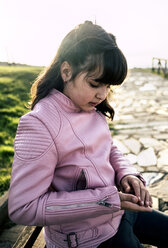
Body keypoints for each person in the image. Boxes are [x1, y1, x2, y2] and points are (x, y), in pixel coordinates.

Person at [8, 21, 168, 248]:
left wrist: (126, 175)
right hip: (91, 237)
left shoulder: (89, 106)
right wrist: (106, 200)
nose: (102, 95)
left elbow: (109, 148)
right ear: (66, 71)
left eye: (108, 86)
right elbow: (23, 207)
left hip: (121, 212)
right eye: (95, 83)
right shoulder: (40, 124)